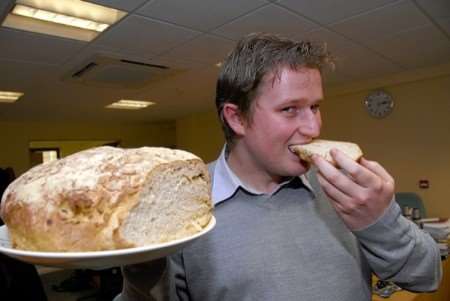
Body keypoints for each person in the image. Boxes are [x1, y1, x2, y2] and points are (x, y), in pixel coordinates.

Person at [117, 33, 442, 300]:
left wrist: (379, 221)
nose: (313, 128)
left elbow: (426, 277)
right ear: (236, 117)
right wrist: (142, 271)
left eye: (315, 107)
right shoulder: (181, 204)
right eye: (290, 109)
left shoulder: (347, 188)